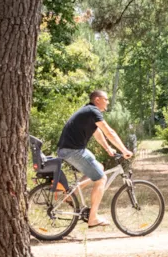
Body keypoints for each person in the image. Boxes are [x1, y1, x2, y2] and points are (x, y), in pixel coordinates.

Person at [56, 90, 133, 228]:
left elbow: (97, 133)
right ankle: (93, 218)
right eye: (106, 99)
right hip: (73, 151)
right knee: (101, 178)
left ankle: (70, 194)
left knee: (99, 168)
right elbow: (109, 132)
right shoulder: (93, 111)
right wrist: (124, 150)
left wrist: (108, 149)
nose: (108, 102)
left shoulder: (89, 112)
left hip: (70, 149)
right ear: (97, 99)